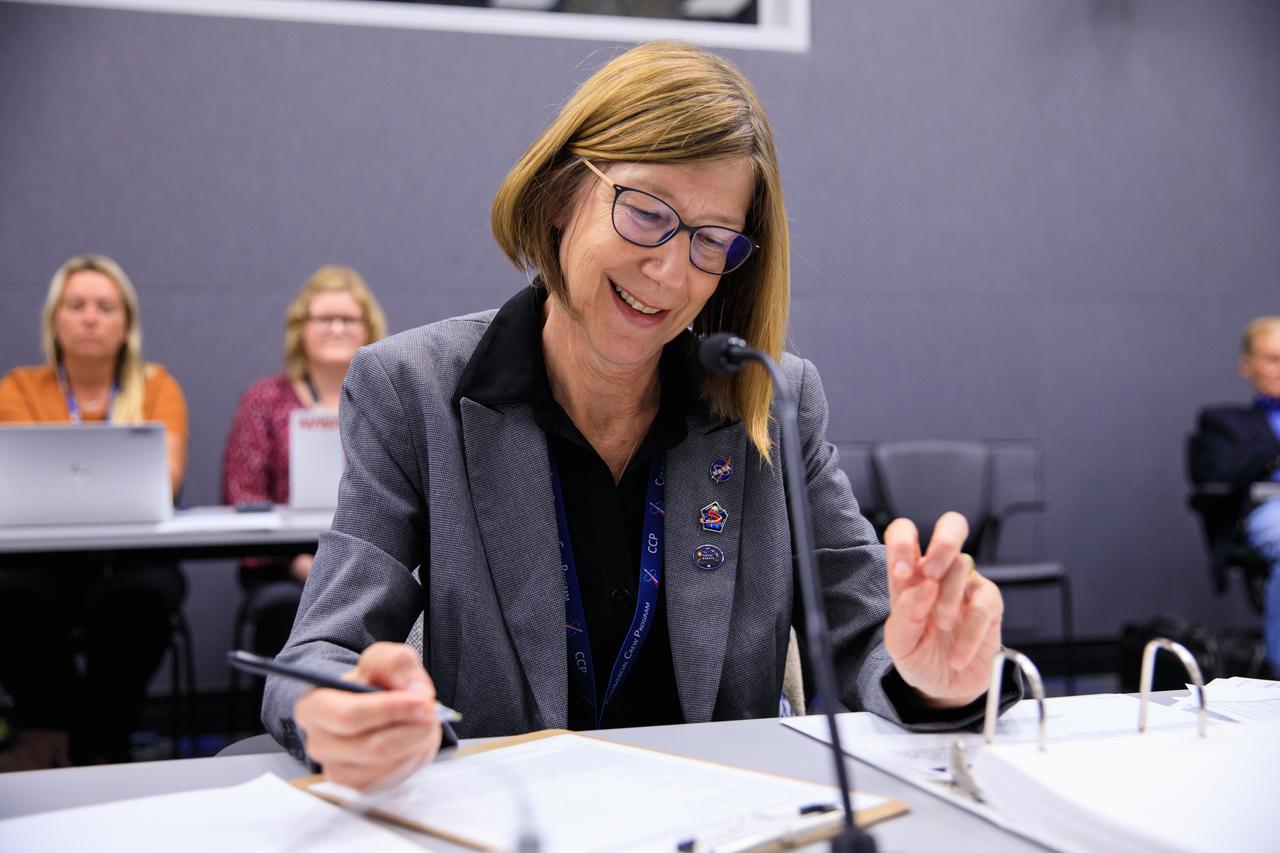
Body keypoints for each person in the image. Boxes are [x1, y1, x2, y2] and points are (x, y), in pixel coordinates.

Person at [264, 42, 1013, 790]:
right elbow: (318, 656)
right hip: (508, 821)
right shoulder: (413, 390)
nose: (670, 271)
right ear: (561, 197)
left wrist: (934, 682)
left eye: (712, 241)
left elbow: (868, 634)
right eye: (647, 213)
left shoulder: (772, 400)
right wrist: (338, 711)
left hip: (723, 820)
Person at [0, 254, 188, 765]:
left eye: (105, 308)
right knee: (12, 597)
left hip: (131, 560)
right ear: (54, 320)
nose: (89, 319)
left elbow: (166, 479)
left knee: (143, 598)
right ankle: (51, 731)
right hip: (40, 562)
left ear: (126, 325)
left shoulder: (157, 386)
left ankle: (102, 741)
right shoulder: (19, 387)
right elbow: (17, 479)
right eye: (76, 306)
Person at [222, 266, 387, 659]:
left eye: (348, 319)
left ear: (369, 329)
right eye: (324, 319)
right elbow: (243, 496)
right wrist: (304, 564)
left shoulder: (387, 399)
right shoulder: (264, 400)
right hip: (283, 566)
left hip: (376, 560)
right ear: (301, 329)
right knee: (285, 609)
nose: (337, 328)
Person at [1190, 316, 1280, 673]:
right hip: (1266, 508)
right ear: (1248, 366)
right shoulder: (1225, 422)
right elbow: (1218, 474)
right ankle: (1277, 674)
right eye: (1273, 359)